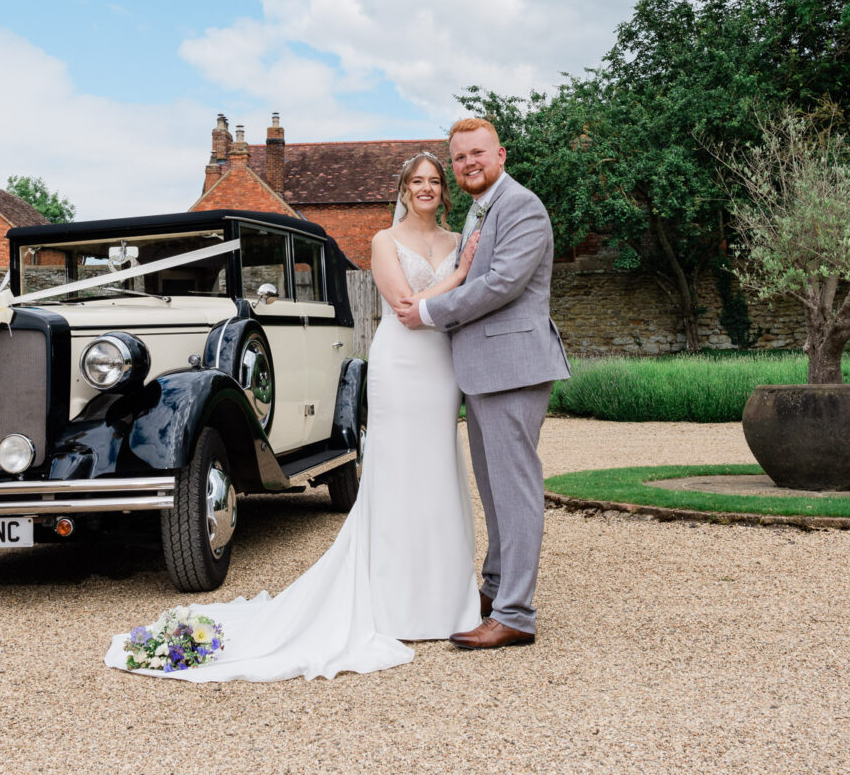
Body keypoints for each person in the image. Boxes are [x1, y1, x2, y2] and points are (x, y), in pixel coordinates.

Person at [105, 151, 481, 681]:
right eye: (417, 181)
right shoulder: (383, 241)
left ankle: (446, 601)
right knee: (397, 472)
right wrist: (461, 273)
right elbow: (404, 304)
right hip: (401, 361)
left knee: (439, 468)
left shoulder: (455, 240)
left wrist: (464, 268)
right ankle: (395, 602)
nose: (426, 188)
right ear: (403, 189)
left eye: (434, 181)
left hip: (440, 365)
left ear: (444, 191)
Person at [394, 117, 571, 650]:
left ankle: (516, 614)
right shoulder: (479, 209)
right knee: (493, 488)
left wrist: (428, 311)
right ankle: (494, 590)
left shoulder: (522, 205)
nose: (468, 163)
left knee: (515, 489)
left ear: (501, 155)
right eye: (460, 157)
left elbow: (500, 284)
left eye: (477, 153)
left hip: (513, 365)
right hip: (482, 369)